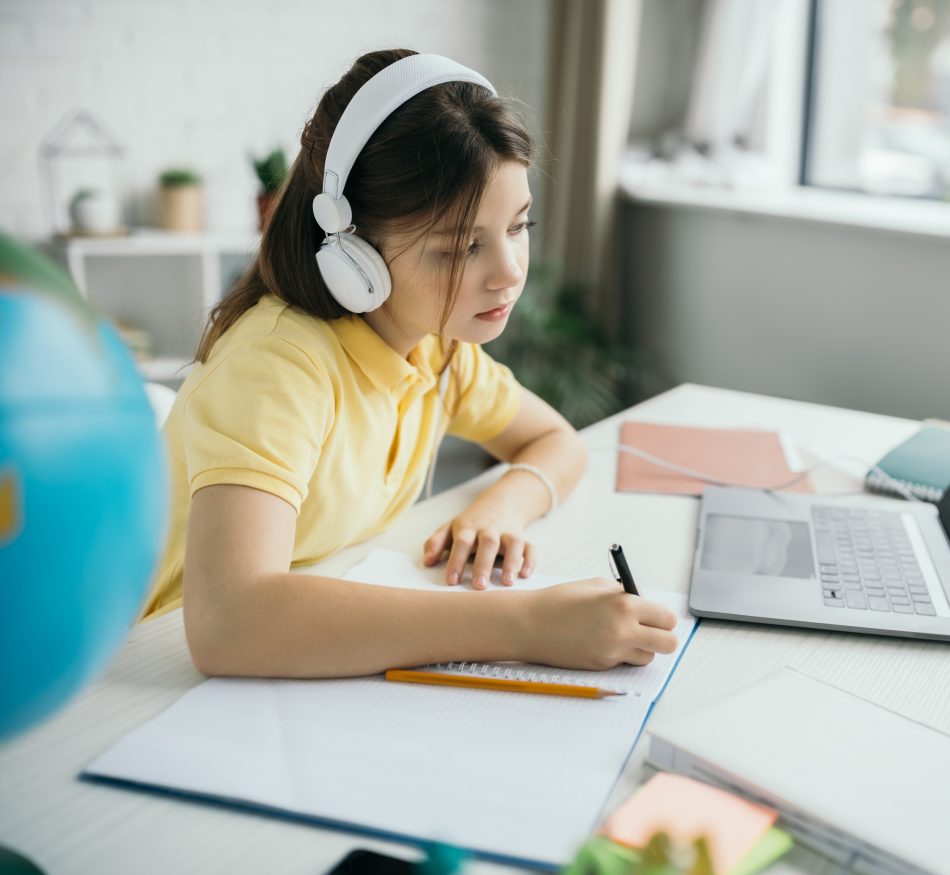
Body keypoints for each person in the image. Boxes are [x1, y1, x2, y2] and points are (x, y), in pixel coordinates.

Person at [141, 49, 678, 677]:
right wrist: (526, 625)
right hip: (143, 672)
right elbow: (228, 623)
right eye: (460, 248)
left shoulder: (435, 344)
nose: (509, 272)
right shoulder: (279, 364)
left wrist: (498, 509)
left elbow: (554, 441)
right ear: (353, 252)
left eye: (519, 226)